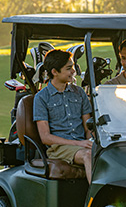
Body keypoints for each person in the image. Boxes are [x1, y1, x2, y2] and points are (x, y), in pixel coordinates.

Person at [33, 49, 94, 184]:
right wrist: (80, 144)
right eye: (69, 68)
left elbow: (88, 126)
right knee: (89, 155)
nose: (74, 71)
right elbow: (45, 137)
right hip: (58, 148)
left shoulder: (79, 93)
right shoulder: (41, 98)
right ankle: (95, 203)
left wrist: (90, 141)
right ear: (55, 72)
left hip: (81, 145)